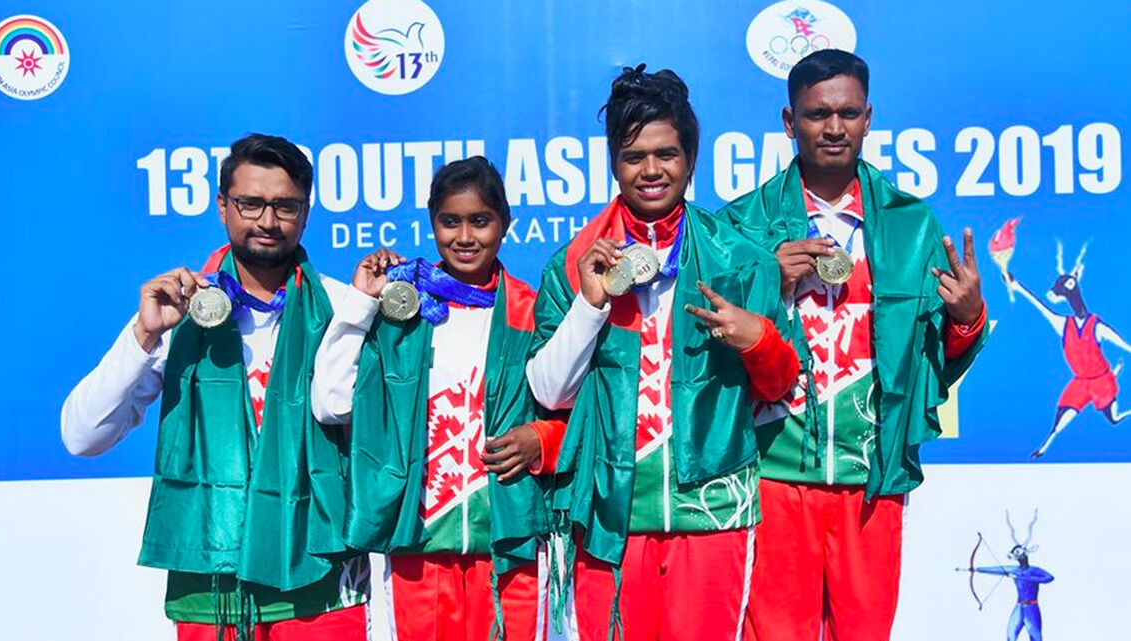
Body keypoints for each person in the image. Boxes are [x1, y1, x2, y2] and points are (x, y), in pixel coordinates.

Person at [719, 49, 989, 641]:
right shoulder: (740, 225)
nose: (834, 128)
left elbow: (931, 364)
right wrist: (768, 282)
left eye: (847, 113)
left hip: (872, 475)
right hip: (773, 472)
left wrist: (968, 319)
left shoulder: (910, 224)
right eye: (817, 114)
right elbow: (709, 352)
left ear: (869, 118)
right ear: (789, 122)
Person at [526, 65, 800, 641]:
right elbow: (550, 394)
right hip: (607, 515)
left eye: (667, 154)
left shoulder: (740, 259)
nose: (651, 170)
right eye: (634, 157)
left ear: (691, 159)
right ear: (613, 164)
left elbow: (779, 388)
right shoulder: (573, 262)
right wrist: (591, 305)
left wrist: (757, 339)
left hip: (711, 513)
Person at [61, 133, 367, 640]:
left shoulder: (343, 311)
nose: (267, 221)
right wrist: (144, 336)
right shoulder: (179, 311)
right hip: (213, 592)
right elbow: (82, 436)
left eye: (284, 206)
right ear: (223, 206)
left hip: (323, 586)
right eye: (250, 203)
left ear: (306, 213)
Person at [311, 156, 565, 641]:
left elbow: (578, 412)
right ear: (432, 223)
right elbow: (332, 402)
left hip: (509, 540)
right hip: (418, 540)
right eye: (450, 221)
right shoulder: (401, 311)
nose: (465, 237)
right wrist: (362, 302)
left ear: (506, 223)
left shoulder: (531, 312)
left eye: (480, 221)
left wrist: (542, 440)